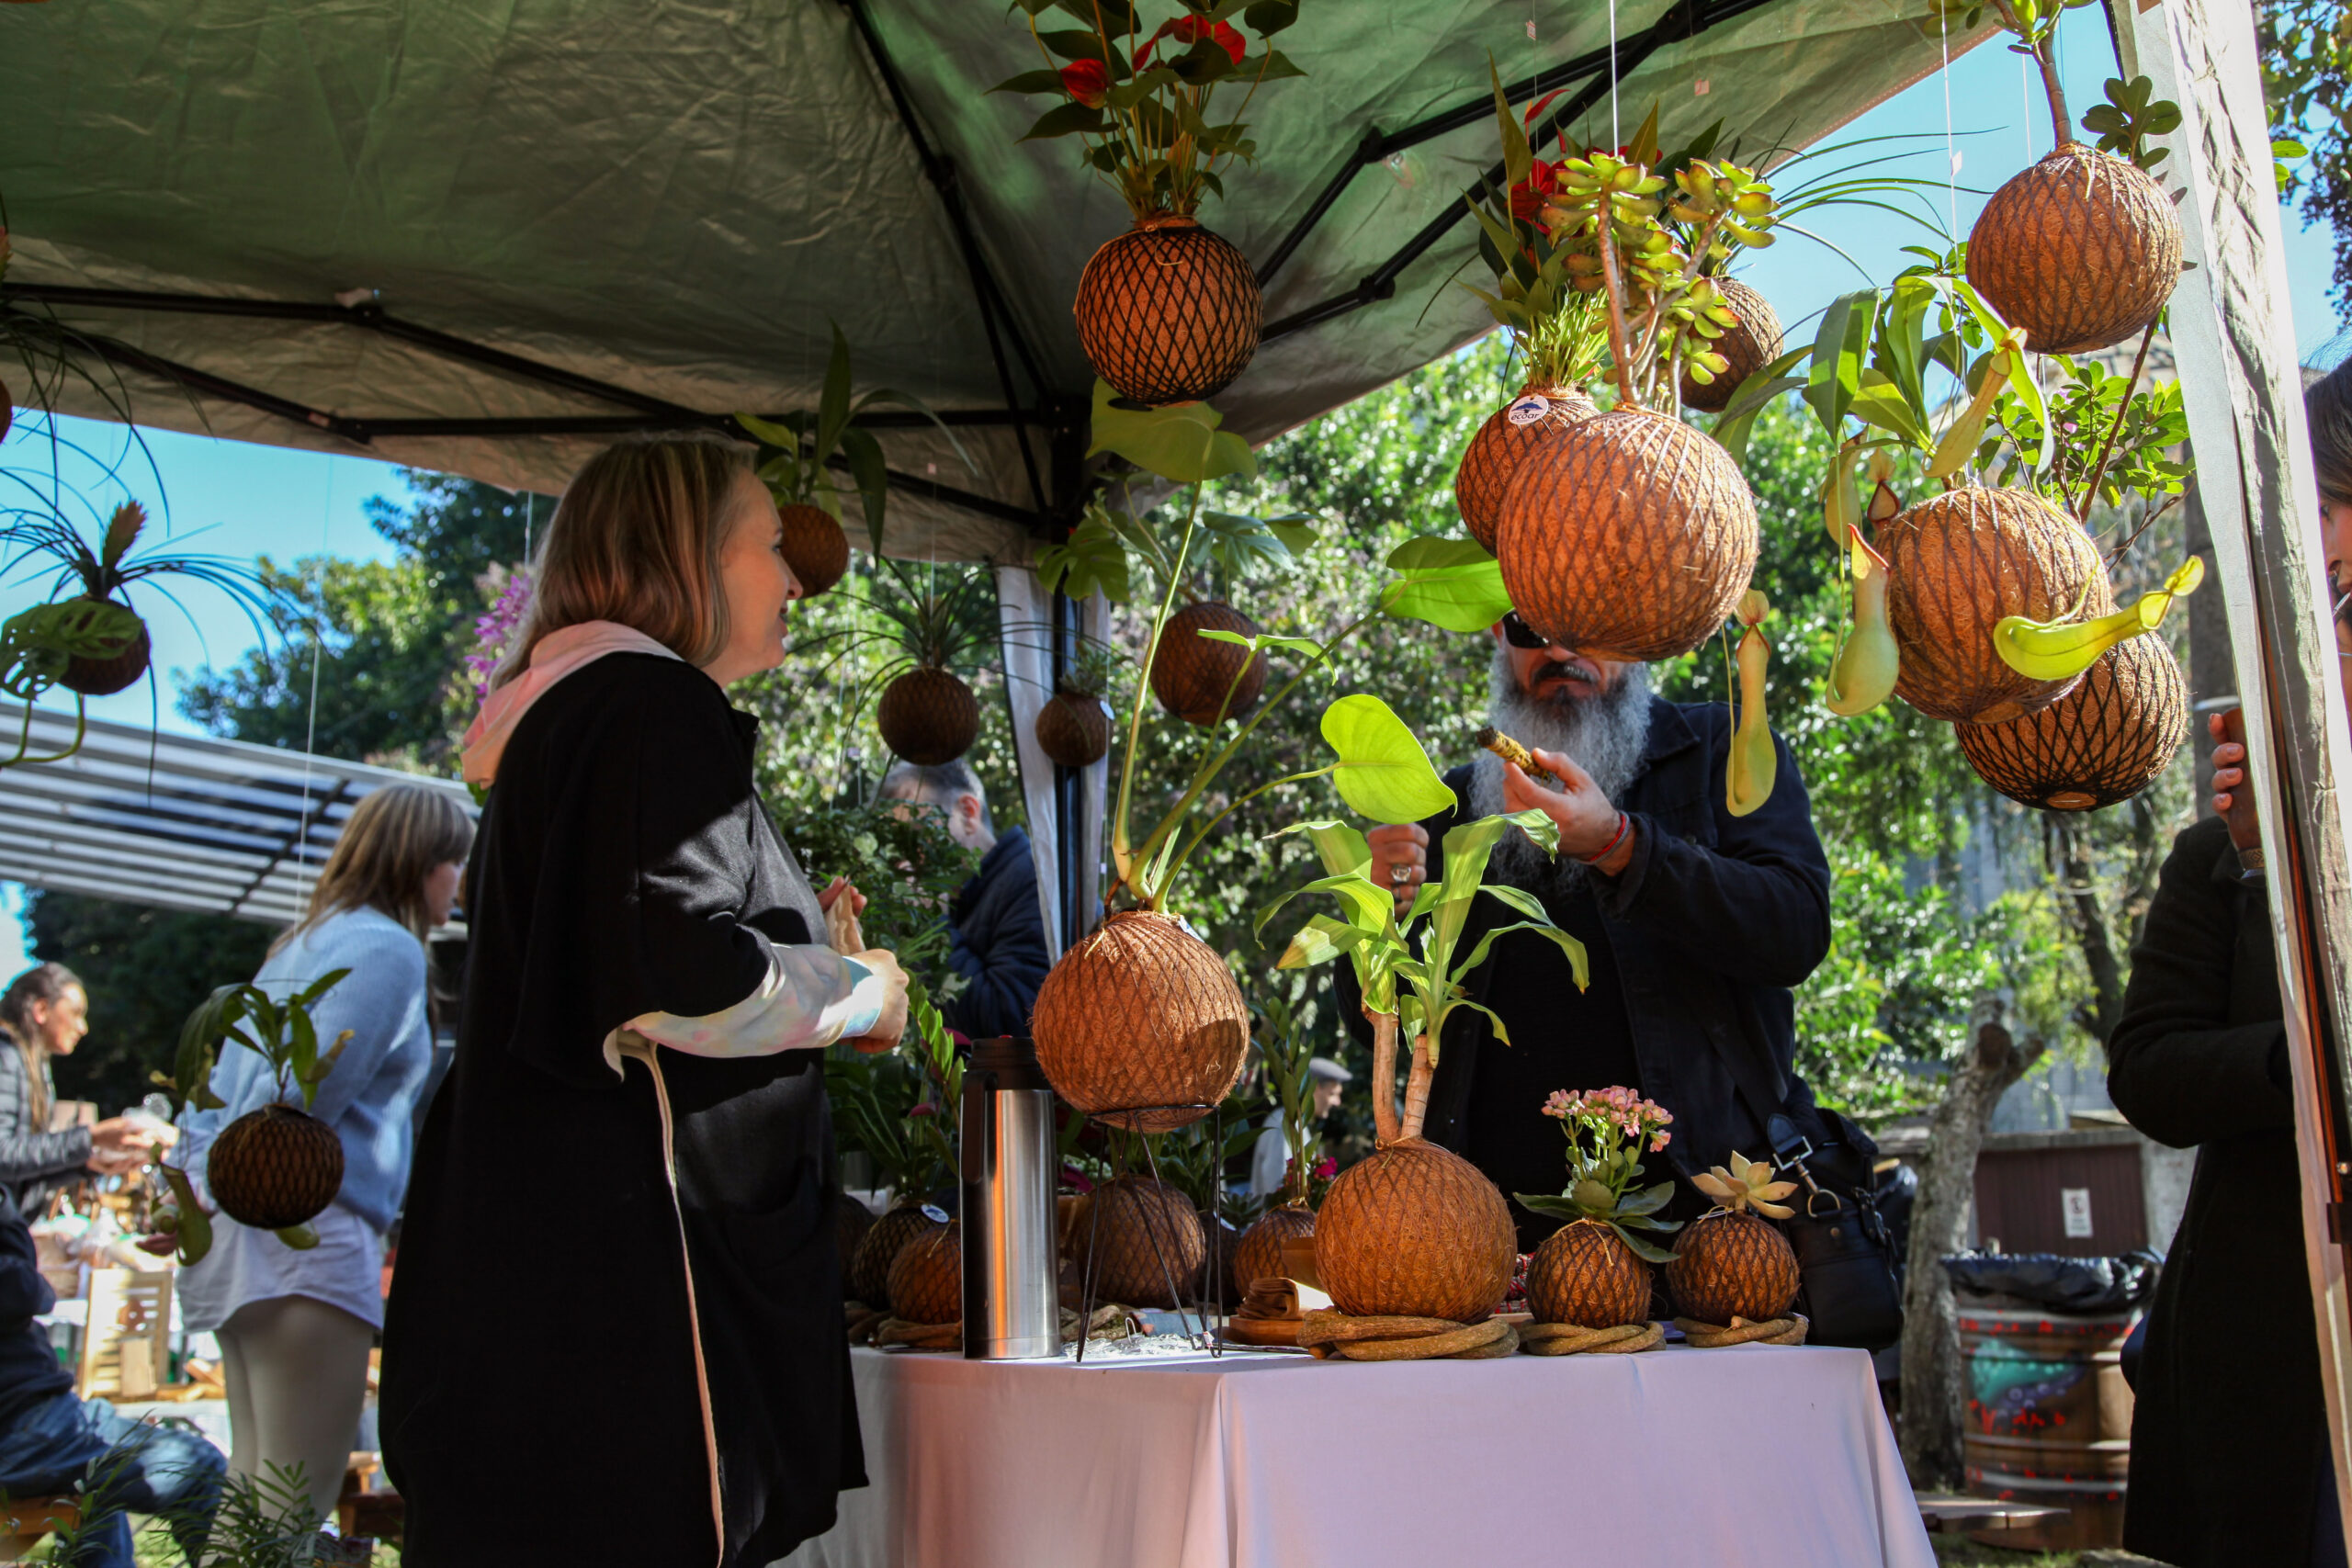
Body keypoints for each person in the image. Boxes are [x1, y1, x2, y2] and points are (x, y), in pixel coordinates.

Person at [381, 436, 909, 1568]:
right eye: (770, 544)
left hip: (550, 1310)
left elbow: (628, 950)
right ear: (686, 560)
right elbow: (676, 978)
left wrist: (795, 936)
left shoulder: (575, 718)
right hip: (633, 1334)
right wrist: (861, 993)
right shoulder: (646, 703)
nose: (797, 576)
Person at [1358, 615, 1850, 1251]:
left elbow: (1797, 929)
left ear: (1637, 633)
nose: (1560, 648)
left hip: (1706, 1238)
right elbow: (1379, 1024)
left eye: (1588, 622)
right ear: (1498, 639)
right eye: (1530, 627)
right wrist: (1380, 913)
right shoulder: (1449, 806)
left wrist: (1622, 847)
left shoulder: (1722, 751)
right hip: (1492, 1255)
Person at [2106, 356, 2352, 1568]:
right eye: (2324, 597)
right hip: (2266, 1349)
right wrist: (2296, 1051)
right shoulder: (2223, 853)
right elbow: (2150, 1068)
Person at [174, 783, 473, 1533]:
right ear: (421, 860)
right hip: (306, 1242)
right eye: (456, 861)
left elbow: (215, 1091)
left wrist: (186, 1196)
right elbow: (297, 1096)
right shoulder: (386, 946)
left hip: (242, 1243)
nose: (462, 883)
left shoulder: (303, 940)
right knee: (289, 1510)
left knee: (251, 1503)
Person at [0, 1185, 223, 1568]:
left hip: (30, 1421)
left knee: (100, 1489)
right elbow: (25, 1289)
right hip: (21, 1425)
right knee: (200, 1465)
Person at [876, 760, 1048, 1040]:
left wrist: (931, 926)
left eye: (916, 837)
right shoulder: (963, 896)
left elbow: (1013, 1027)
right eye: (897, 848)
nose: (906, 863)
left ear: (968, 813)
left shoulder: (1032, 880)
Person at [0, 965, 164, 1212]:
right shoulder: (5, 1057)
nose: (83, 1027)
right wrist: (91, 1137)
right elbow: (3, 1155)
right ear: (41, 1010)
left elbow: (20, 1176)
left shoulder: (30, 1064)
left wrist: (87, 1165)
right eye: (76, 1013)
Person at [1248, 1056, 1349, 1199]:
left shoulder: (1297, 1124)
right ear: (1316, 1088)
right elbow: (1277, 1188)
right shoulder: (1285, 1124)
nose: (1337, 1102)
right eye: (1332, 1094)